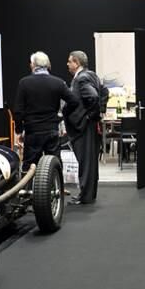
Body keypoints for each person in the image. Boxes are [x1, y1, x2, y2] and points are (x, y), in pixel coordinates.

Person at [12, 51, 77, 171]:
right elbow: (74, 101)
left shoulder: (24, 83)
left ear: (33, 65)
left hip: (32, 131)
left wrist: (19, 130)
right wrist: (62, 115)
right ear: (48, 65)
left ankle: (29, 189)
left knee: (29, 166)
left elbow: (18, 110)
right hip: (51, 129)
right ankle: (57, 188)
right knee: (55, 164)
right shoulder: (58, 82)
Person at [66, 50, 103, 205]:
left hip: (84, 127)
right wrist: (96, 114)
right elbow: (104, 92)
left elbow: (93, 96)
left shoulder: (81, 79)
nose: (67, 64)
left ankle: (85, 196)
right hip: (89, 125)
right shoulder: (92, 75)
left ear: (77, 63)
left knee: (86, 162)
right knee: (89, 161)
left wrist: (89, 116)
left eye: (69, 61)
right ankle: (88, 194)